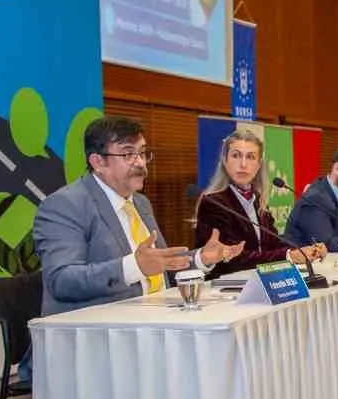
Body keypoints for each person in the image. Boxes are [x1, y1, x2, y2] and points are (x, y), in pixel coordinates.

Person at [34, 116, 244, 318]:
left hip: (156, 319)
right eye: (128, 154)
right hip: (97, 337)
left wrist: (201, 258)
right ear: (98, 162)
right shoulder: (66, 205)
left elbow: (158, 265)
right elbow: (61, 281)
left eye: (142, 153)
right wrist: (134, 267)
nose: (141, 163)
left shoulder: (141, 203)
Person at [193, 127, 326, 278]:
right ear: (225, 160)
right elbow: (234, 258)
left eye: (250, 157)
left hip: (260, 281)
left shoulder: (258, 200)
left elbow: (274, 244)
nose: (243, 164)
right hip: (225, 288)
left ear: (259, 164)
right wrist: (289, 256)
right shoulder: (214, 203)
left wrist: (306, 249)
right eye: (236, 156)